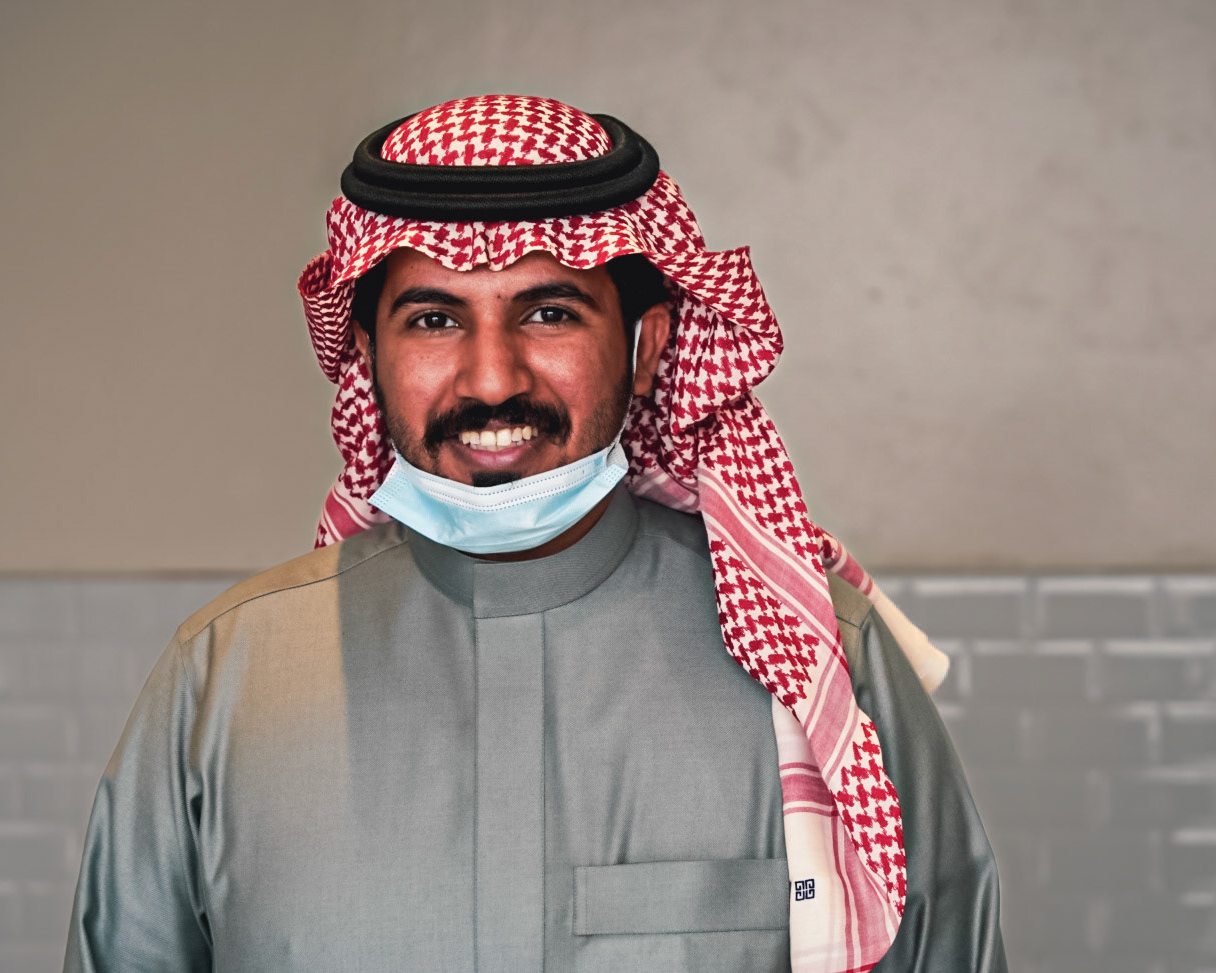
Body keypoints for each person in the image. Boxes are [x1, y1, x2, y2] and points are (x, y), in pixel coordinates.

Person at [64, 94, 1006, 973]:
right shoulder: (223, 678)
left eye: (549, 313)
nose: (491, 380)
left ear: (645, 348)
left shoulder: (819, 666)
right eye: (433, 319)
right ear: (368, 356)